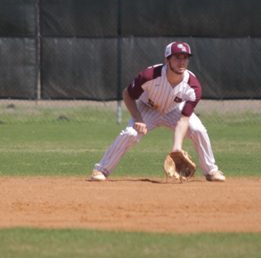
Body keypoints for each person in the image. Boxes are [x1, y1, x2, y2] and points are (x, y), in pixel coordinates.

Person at [89, 41, 226, 182]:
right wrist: (138, 119)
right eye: (177, 57)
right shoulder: (149, 76)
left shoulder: (193, 86)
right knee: (130, 133)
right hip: (147, 109)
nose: (182, 62)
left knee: (198, 130)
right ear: (167, 60)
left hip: (175, 110)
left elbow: (184, 119)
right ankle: (101, 170)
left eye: (185, 57)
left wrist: (176, 148)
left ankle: (211, 171)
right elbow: (127, 95)